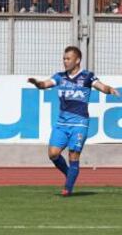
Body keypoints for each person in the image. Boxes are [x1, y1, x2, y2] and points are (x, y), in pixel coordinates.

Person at [28, 46, 120, 196]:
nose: (65, 61)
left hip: (79, 123)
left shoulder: (87, 76)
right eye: (64, 58)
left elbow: (101, 87)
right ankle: (70, 173)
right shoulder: (59, 77)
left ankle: (68, 188)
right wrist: (37, 83)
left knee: (73, 155)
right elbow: (45, 85)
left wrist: (110, 89)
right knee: (53, 154)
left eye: (68, 58)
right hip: (62, 123)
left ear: (77, 60)